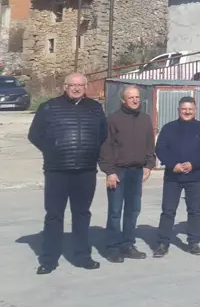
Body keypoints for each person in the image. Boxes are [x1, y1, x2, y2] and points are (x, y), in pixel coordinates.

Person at [28, 72, 108, 275]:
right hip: (57, 171)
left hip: (86, 171)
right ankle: (48, 259)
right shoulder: (49, 107)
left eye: (80, 84)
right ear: (65, 86)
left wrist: (89, 150)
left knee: (82, 215)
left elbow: (102, 134)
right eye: (72, 84)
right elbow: (34, 135)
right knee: (54, 215)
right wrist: (54, 149)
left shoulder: (95, 108)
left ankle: (82, 256)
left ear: (86, 86)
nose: (76, 88)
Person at [99, 85, 156, 263]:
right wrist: (109, 172)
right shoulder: (113, 119)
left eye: (137, 97)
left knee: (133, 210)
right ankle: (113, 247)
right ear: (123, 100)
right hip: (118, 172)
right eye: (131, 97)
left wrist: (149, 165)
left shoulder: (145, 119)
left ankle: (128, 244)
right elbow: (104, 148)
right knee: (115, 211)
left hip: (136, 172)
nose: (135, 100)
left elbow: (149, 145)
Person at [153, 96, 200, 258]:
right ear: (178, 110)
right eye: (184, 109)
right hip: (173, 177)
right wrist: (174, 165)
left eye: (190, 109)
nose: (187, 111)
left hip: (195, 176)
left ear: (195, 110)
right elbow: (161, 149)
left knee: (194, 211)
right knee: (168, 211)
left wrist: (193, 164)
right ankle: (162, 243)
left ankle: (193, 243)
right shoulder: (168, 128)